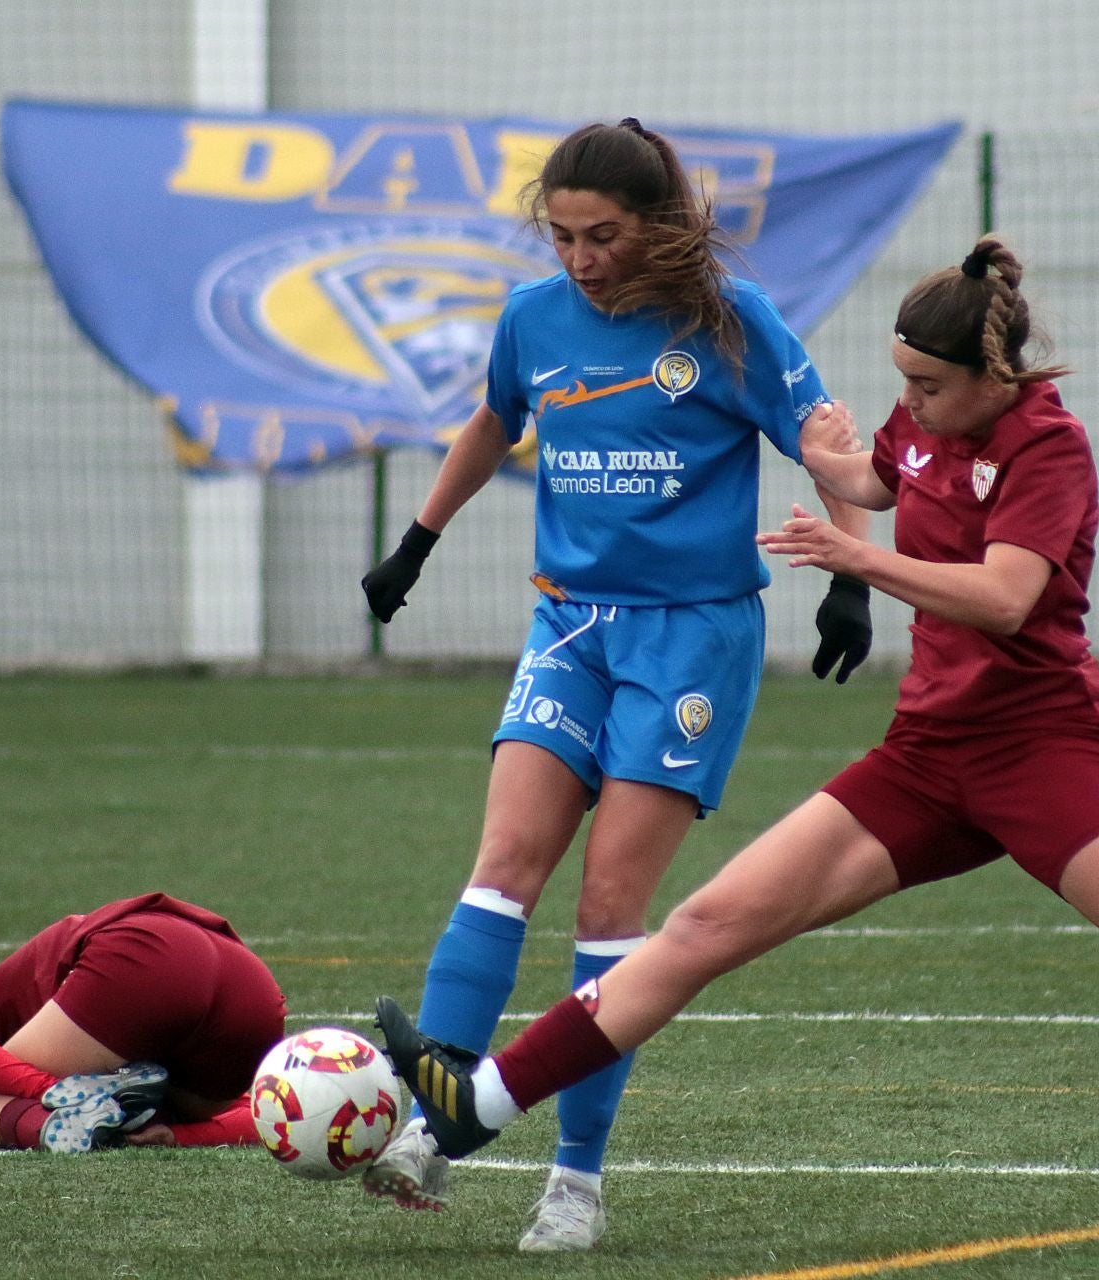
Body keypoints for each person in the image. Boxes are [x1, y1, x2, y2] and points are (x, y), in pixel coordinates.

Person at [373, 236, 1099, 1218]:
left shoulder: (1050, 445)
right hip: (924, 760)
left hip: (1044, 754)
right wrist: (819, 461)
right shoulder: (922, 423)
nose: (911, 410)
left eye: (928, 389)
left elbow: (1005, 598)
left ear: (995, 375)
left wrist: (854, 562)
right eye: (900, 386)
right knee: (702, 927)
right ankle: (476, 1107)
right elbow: (869, 471)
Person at [356, 117, 872, 1250]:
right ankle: (432, 1136)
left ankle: (575, 1181)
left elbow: (823, 440)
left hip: (692, 640)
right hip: (568, 626)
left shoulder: (732, 327)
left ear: (661, 228)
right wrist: (417, 541)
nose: (581, 259)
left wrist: (854, 571)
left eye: (604, 236)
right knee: (502, 868)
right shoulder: (535, 317)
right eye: (564, 237)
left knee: (607, 910)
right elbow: (497, 417)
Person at [0, 892, 287, 1153]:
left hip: (147, 954)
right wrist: (177, 1137)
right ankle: (139, 1115)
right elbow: (271, 1118)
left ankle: (80, 1110)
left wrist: (50, 1090)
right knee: (231, 1108)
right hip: (254, 992)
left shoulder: (21, 982)